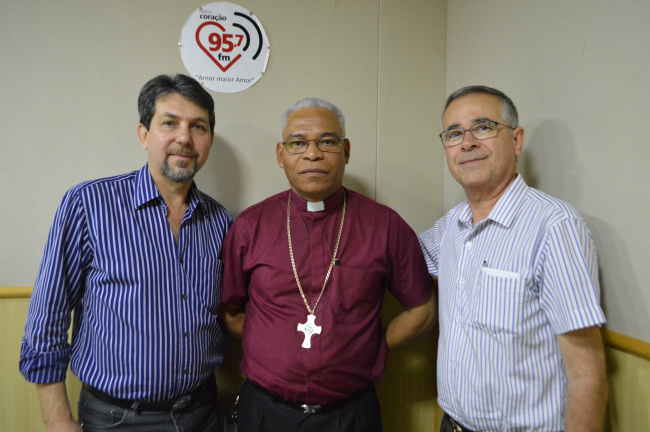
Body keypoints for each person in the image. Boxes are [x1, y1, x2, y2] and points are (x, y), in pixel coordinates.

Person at [20, 74, 232, 432]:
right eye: (170, 123)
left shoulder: (220, 220)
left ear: (209, 139)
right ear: (144, 135)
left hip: (203, 412)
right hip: (117, 419)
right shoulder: (89, 204)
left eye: (198, 126)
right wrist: (56, 419)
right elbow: (48, 315)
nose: (184, 137)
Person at [219, 97, 435, 431]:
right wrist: (271, 344)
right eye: (298, 143)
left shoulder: (385, 226)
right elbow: (230, 313)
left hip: (350, 413)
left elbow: (422, 310)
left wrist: (371, 347)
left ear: (346, 151)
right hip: (265, 411)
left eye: (327, 141)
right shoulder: (250, 226)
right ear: (281, 155)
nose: (312, 153)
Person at [419, 85, 608, 432]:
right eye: (454, 133)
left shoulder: (554, 227)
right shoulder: (450, 226)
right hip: (451, 425)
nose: (468, 142)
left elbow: (587, 372)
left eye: (484, 127)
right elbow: (391, 256)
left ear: (517, 140)